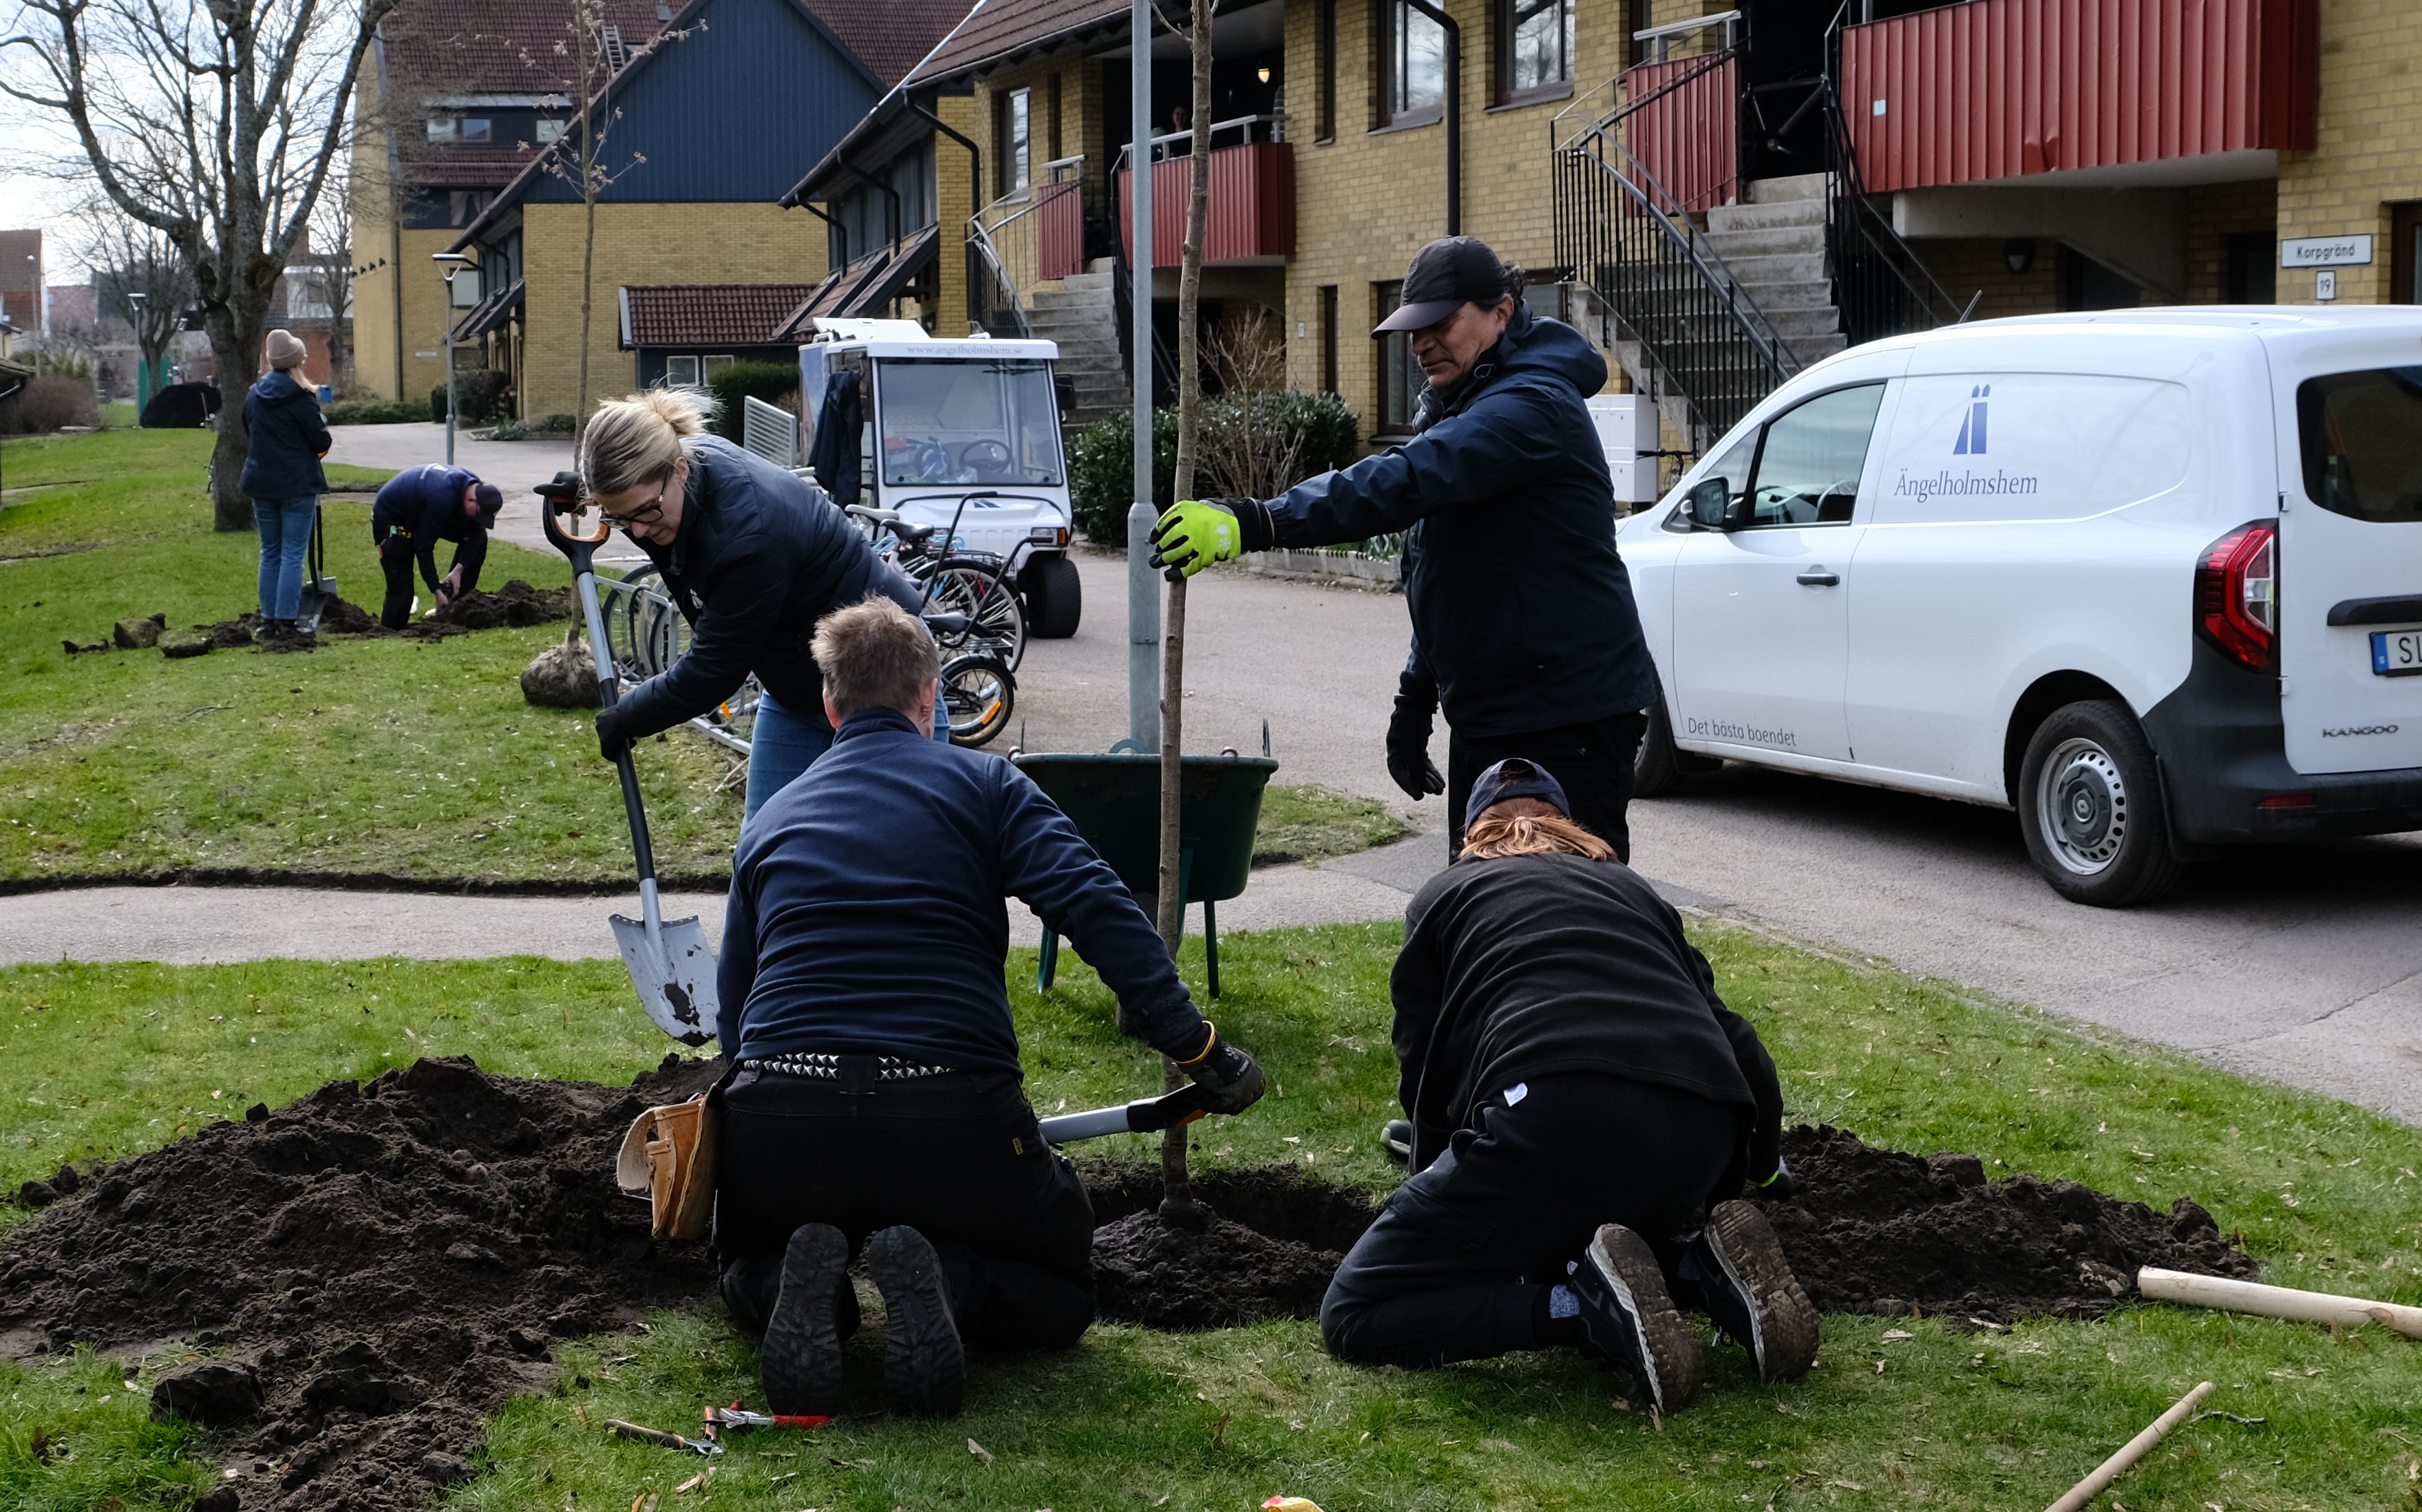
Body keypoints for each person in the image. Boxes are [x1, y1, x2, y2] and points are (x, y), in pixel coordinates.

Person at [714, 599, 1263, 1415]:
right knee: (1063, 1283)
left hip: (784, 1110)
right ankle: (954, 1280)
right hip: (948, 1110)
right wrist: (1200, 1050)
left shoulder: (772, 820)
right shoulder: (988, 786)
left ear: (829, 704)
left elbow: (735, 1002)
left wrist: (748, 1113)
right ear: (931, 696)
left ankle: (804, 1292)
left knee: (738, 1255)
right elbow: (1097, 906)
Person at [1315, 759, 1816, 1413]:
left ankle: (1576, 1308)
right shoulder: (1633, 891)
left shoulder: (1445, 894)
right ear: (1569, 826)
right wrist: (1762, 1167)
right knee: (1590, 1220)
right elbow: (1740, 1041)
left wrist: (1436, 1186)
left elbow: (1425, 1066)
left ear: (1472, 836)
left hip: (1554, 1115)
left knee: (1355, 1312)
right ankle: (1702, 1272)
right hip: (1701, 1124)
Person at [1151, 235, 1654, 853]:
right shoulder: (1464, 404)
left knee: (1572, 915)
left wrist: (1258, 521)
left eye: (1440, 323)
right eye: (1413, 328)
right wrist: (1415, 698)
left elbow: (1407, 478)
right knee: (1475, 910)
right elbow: (1445, 566)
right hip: (1496, 715)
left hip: (1564, 718)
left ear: (1501, 311)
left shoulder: (1532, 406)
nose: (1420, 344)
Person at [579, 388, 928, 827]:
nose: (639, 530)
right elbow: (634, 495)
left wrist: (629, 716)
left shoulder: (749, 537)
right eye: (618, 518)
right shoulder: (672, 473)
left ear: (679, 470)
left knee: (900, 843)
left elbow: (714, 668)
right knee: (764, 844)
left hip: (886, 678)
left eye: (646, 511)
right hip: (799, 683)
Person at [238, 330, 333, 650]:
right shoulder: (301, 397)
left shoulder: (254, 394)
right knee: (293, 552)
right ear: (296, 363)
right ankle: (287, 620)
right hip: (296, 485)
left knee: (271, 552)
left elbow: (248, 429)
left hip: (261, 483)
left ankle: (268, 622)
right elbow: (321, 441)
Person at [371, 462, 505, 628]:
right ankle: (391, 629)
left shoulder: (474, 487)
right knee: (401, 583)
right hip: (392, 518)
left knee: (479, 537)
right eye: (479, 515)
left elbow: (477, 531)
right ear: (471, 499)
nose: (479, 520)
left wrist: (458, 571)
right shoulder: (441, 498)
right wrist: (436, 589)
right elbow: (424, 547)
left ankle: (456, 607)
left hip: (423, 510)